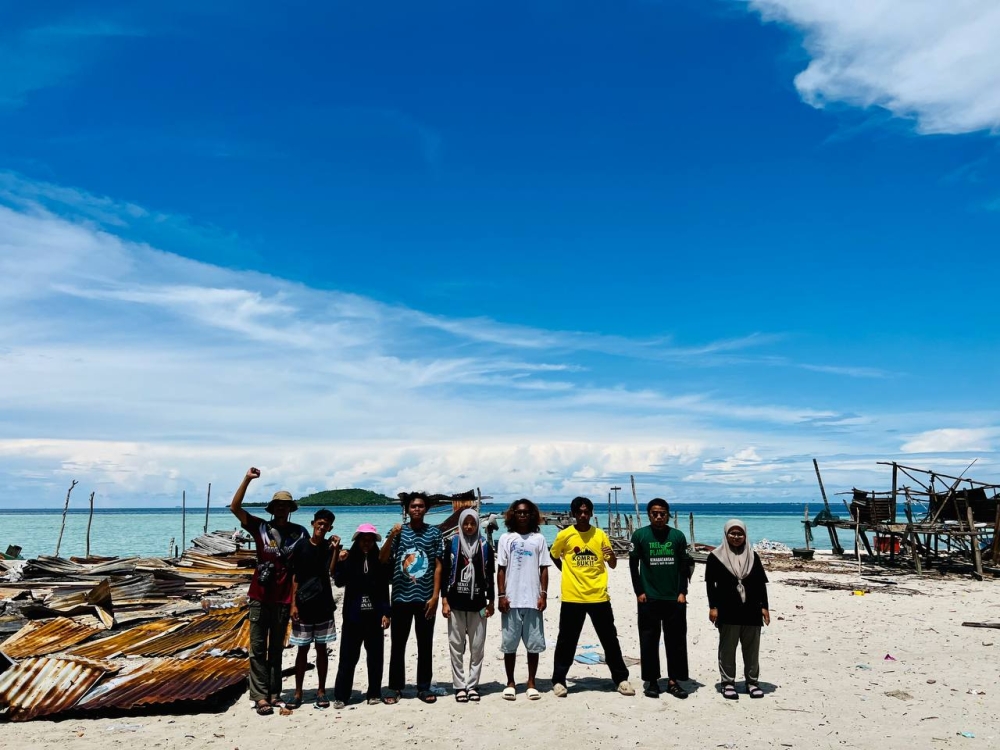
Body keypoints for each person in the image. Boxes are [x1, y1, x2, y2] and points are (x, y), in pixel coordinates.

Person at [230, 467, 308, 716]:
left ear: (290, 509)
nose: (281, 509)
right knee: (256, 647)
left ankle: (274, 694)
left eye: (286, 506)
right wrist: (247, 479)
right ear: (272, 508)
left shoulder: (299, 533)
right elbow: (235, 507)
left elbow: (309, 560)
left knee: (276, 648)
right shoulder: (260, 527)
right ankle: (260, 696)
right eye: (278, 505)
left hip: (284, 598)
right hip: (259, 596)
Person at [549, 496, 634, 698]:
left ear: (592, 513)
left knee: (609, 640)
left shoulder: (600, 535)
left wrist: (611, 555)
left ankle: (621, 679)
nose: (583, 515)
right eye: (579, 512)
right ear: (573, 514)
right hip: (573, 597)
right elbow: (554, 554)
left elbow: (612, 563)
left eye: (587, 512)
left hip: (599, 596)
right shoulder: (565, 535)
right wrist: (566, 571)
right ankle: (559, 681)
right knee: (566, 641)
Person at [379, 492, 444, 704]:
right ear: (407, 509)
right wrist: (391, 535)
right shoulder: (398, 532)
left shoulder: (434, 533)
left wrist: (436, 596)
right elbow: (383, 557)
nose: (417, 509)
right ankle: (395, 687)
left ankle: (423, 687)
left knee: (425, 644)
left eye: (421, 506)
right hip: (400, 597)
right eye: (413, 506)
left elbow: (438, 567)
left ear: (426, 509)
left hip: (425, 598)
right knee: (398, 644)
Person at [630, 497, 691, 699]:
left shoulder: (677, 536)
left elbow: (685, 566)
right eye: (655, 513)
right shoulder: (640, 535)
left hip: (674, 598)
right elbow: (633, 566)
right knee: (649, 640)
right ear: (649, 515)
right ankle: (652, 681)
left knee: (676, 641)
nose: (658, 517)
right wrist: (639, 592)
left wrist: (683, 592)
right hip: (649, 597)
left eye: (662, 513)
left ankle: (674, 681)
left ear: (668, 515)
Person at [705, 519, 771, 700]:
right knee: (727, 648)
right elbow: (711, 585)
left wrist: (765, 607)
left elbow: (760, 584)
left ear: (745, 535)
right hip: (727, 609)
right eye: (732, 533)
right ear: (726, 534)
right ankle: (728, 683)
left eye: (739, 533)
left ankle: (752, 682)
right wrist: (713, 607)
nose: (736, 537)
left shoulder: (752, 556)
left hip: (751, 610)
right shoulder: (715, 557)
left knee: (752, 649)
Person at [496, 498, 551, 701]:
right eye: (519, 512)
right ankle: (510, 682)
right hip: (511, 599)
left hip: (533, 600)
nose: (522, 515)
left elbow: (544, 568)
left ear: (532, 515)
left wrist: (543, 594)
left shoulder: (539, 539)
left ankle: (531, 682)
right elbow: (501, 569)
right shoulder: (505, 538)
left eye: (526, 512)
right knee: (509, 645)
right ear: (513, 514)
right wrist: (501, 595)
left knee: (533, 645)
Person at [333, 523, 391, 708]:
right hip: (353, 617)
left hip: (374, 617)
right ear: (357, 541)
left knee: (375, 657)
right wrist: (339, 559)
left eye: (370, 540)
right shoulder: (349, 559)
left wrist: (386, 612)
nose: (366, 543)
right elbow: (339, 581)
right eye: (363, 540)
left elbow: (384, 588)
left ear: (374, 542)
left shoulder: (380, 560)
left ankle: (374, 693)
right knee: (347, 658)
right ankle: (342, 696)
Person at [288, 509, 341, 709]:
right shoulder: (301, 546)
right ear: (313, 523)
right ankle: (298, 692)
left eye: (326, 525)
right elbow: (295, 577)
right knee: (302, 650)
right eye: (319, 523)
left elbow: (332, 571)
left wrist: (335, 549)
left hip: (324, 604)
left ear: (330, 528)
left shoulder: (329, 546)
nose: (322, 527)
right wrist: (293, 604)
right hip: (303, 604)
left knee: (322, 649)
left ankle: (321, 691)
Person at [441, 509, 495, 702]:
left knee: (477, 647)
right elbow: (446, 572)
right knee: (456, 645)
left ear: (477, 525)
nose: (469, 527)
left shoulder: (484, 546)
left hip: (478, 604)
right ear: (461, 524)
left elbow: (490, 576)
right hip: (456, 603)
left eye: (473, 523)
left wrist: (492, 602)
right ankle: (459, 685)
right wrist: (444, 600)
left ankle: (472, 685)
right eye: (466, 523)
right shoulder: (453, 544)